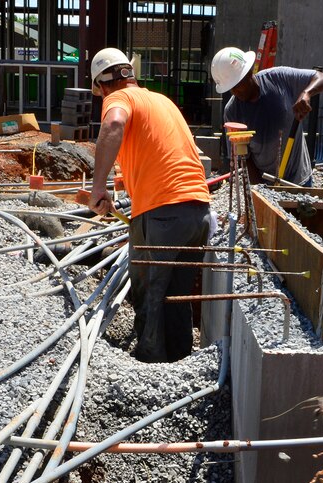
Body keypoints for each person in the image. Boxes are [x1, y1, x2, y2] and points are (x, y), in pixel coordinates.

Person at [86, 47, 214, 363]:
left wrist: (97, 186)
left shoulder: (118, 99)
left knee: (150, 292)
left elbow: (113, 124)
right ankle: (181, 361)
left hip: (162, 211)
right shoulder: (161, 101)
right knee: (178, 294)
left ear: (102, 84)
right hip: (197, 211)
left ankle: (149, 364)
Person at [211, 47, 323, 186]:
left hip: (299, 180)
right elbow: (244, 158)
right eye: (231, 88)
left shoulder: (278, 78)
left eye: (238, 85)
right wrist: (262, 191)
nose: (235, 92)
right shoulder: (232, 112)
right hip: (265, 183)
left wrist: (307, 93)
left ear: (249, 73)